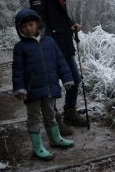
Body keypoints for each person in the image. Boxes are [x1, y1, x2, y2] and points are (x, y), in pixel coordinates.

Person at [29, 0, 86, 130]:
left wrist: (71, 24)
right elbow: (40, 20)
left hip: (65, 41)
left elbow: (62, 13)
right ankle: (53, 120)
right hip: (50, 44)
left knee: (75, 79)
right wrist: (46, 41)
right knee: (52, 84)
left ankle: (70, 112)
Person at [12, 8, 75, 161]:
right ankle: (37, 146)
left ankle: (55, 138)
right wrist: (20, 88)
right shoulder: (20, 47)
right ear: (20, 29)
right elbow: (18, 70)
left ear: (38, 24)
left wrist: (67, 78)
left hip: (49, 87)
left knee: (50, 114)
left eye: (31, 24)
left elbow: (60, 62)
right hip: (32, 90)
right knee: (34, 118)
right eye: (24, 26)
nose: (28, 28)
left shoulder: (49, 42)